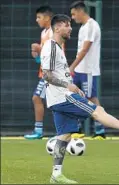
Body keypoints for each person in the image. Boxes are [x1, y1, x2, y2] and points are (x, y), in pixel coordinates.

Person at [41, 14, 119, 184]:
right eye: (67, 25)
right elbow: (46, 75)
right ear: (57, 28)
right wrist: (68, 86)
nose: (70, 28)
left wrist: (72, 85)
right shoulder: (51, 47)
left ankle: (56, 174)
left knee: (64, 136)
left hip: (58, 97)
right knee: (97, 110)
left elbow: (55, 74)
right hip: (63, 97)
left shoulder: (56, 47)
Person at [69, 1, 106, 140]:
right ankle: (76, 128)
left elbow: (85, 50)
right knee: (73, 96)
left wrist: (71, 66)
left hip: (88, 70)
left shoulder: (92, 26)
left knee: (91, 98)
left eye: (73, 14)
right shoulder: (83, 27)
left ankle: (100, 130)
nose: (73, 17)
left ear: (80, 11)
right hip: (79, 70)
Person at [24, 5, 53, 140]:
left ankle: (39, 131)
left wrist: (39, 48)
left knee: (37, 98)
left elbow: (52, 52)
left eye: (39, 17)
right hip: (45, 72)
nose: (37, 20)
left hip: (52, 73)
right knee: (43, 99)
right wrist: (36, 55)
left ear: (47, 18)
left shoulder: (53, 32)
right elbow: (41, 58)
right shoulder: (44, 33)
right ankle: (39, 130)